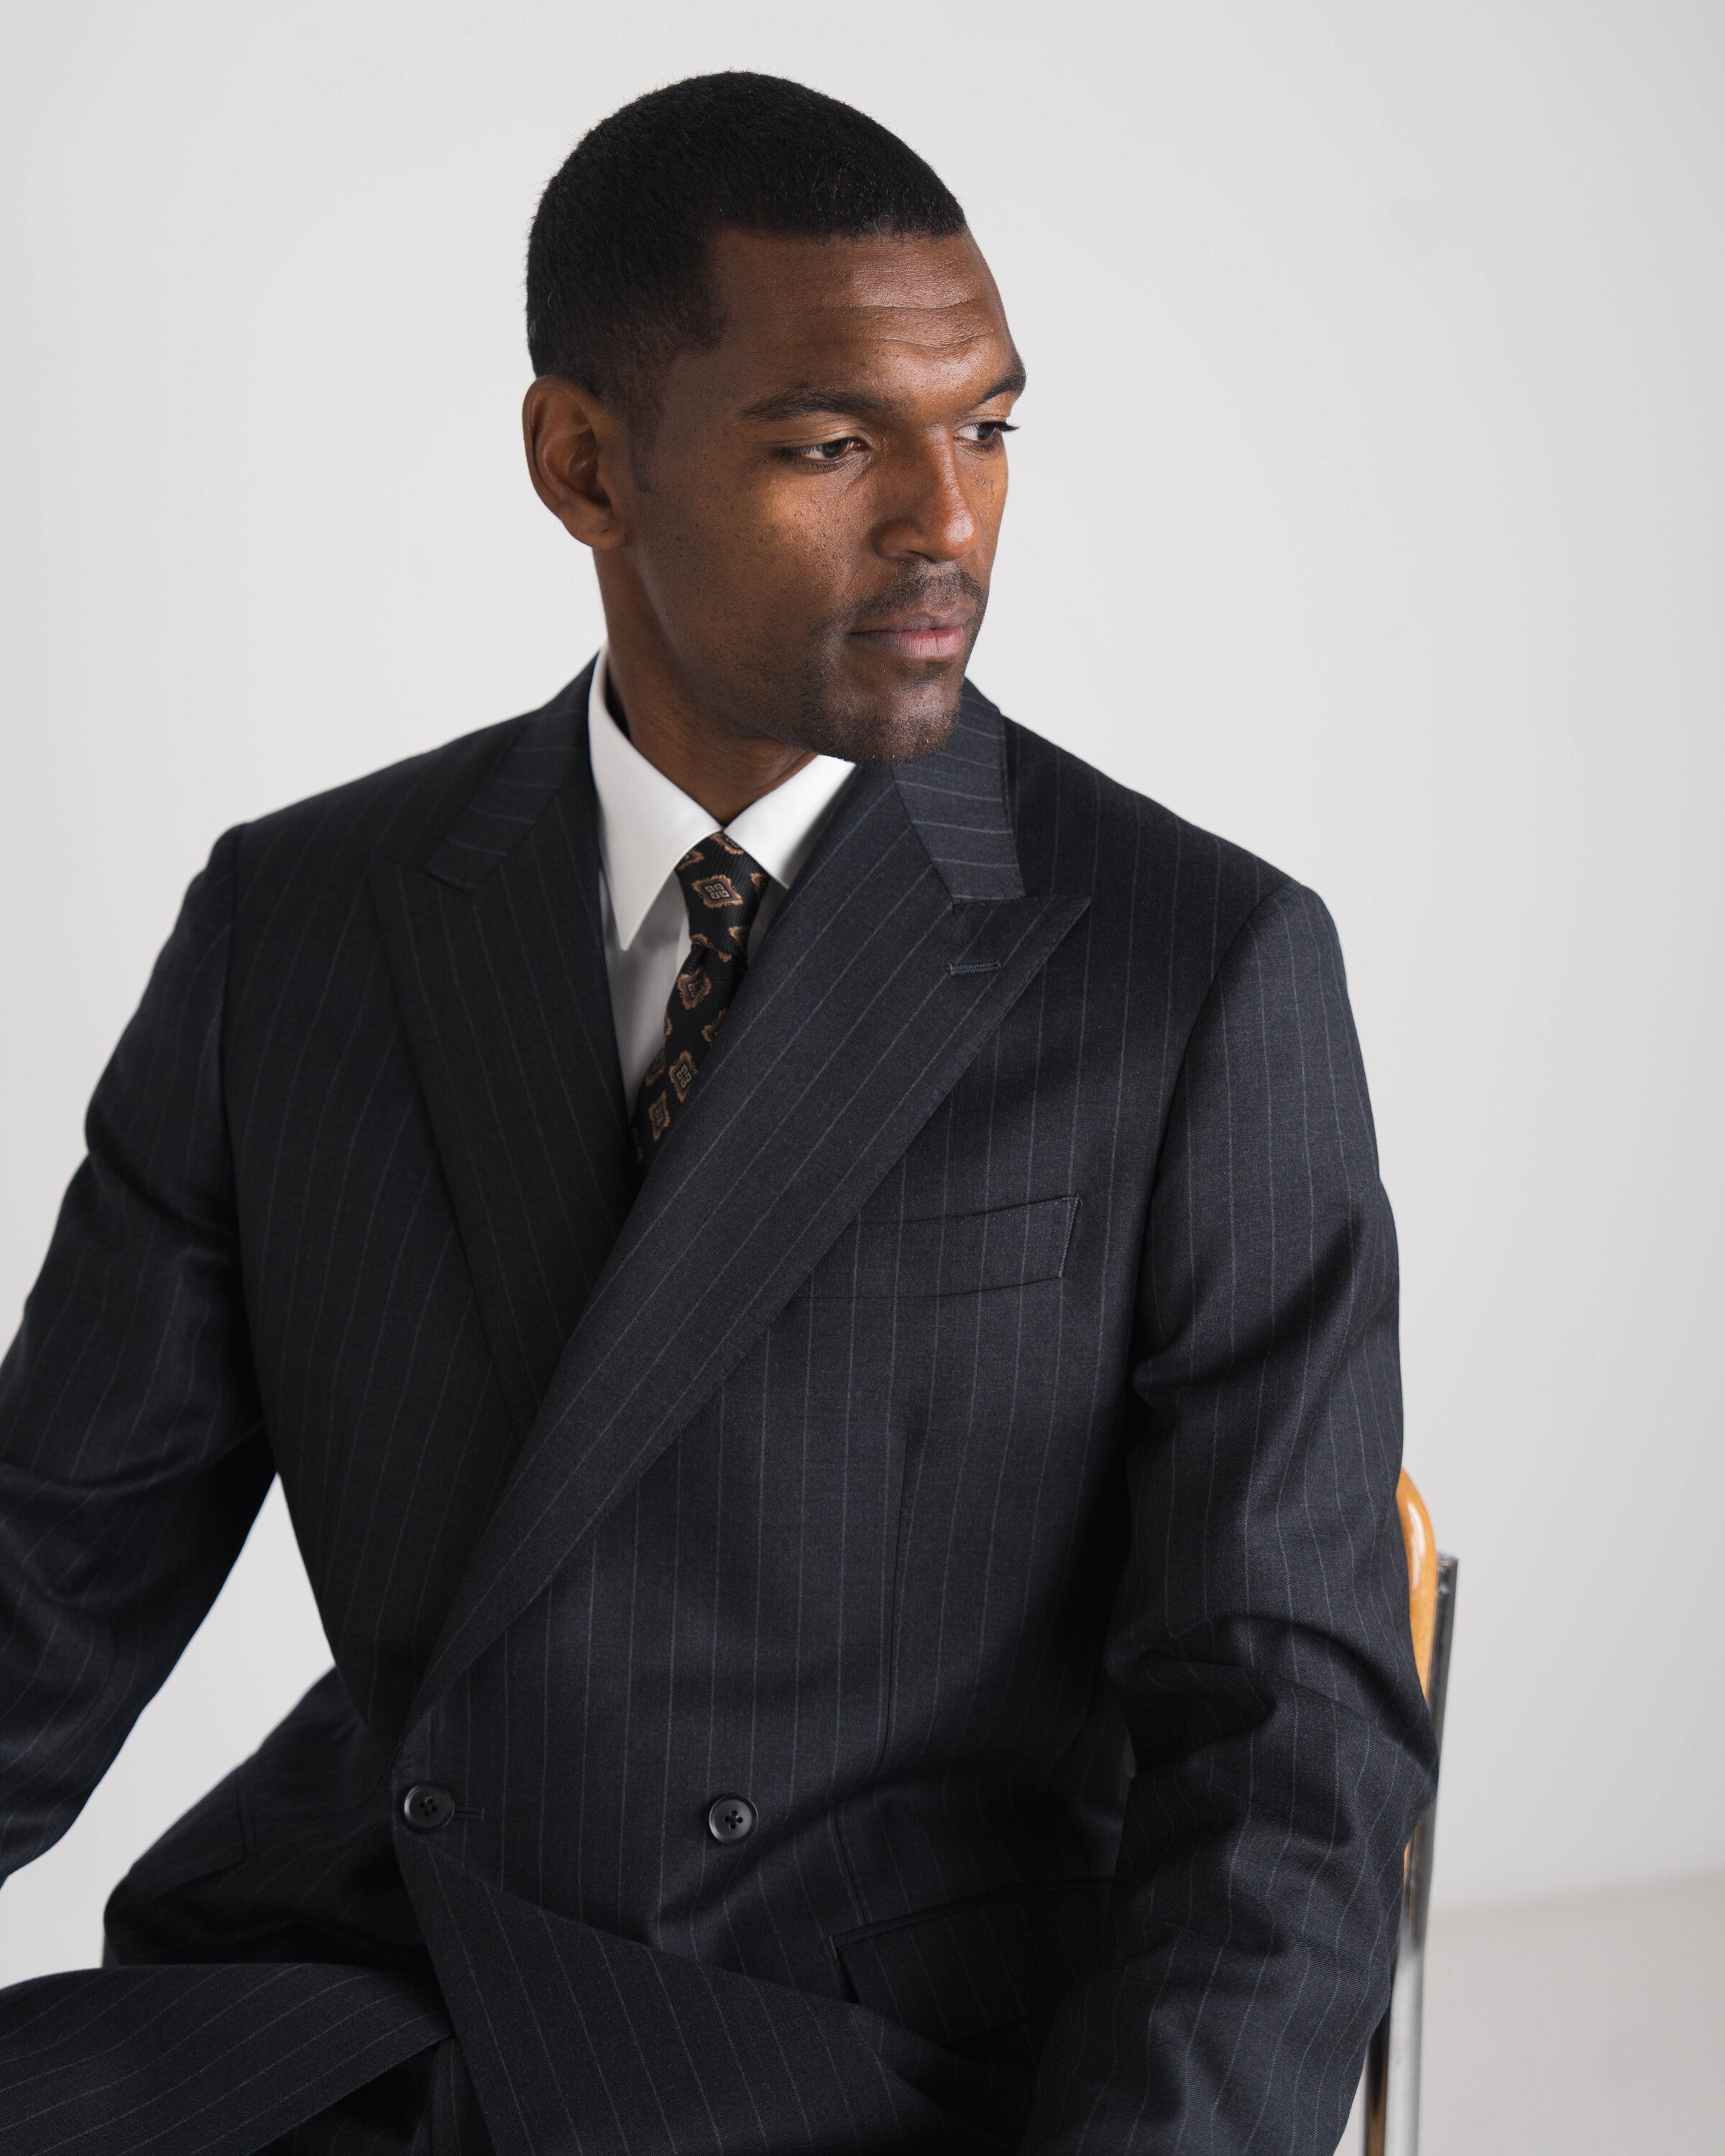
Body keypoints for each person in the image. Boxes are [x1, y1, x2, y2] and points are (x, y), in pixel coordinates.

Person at [0, 71, 1435, 2156]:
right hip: (365, 1990)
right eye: (835, 443)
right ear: (583, 464)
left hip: (862, 2061)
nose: (947, 522)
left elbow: (1285, 1747)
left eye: (990, 429)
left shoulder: (1187, 967)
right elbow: (49, 1570)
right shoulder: (302, 926)